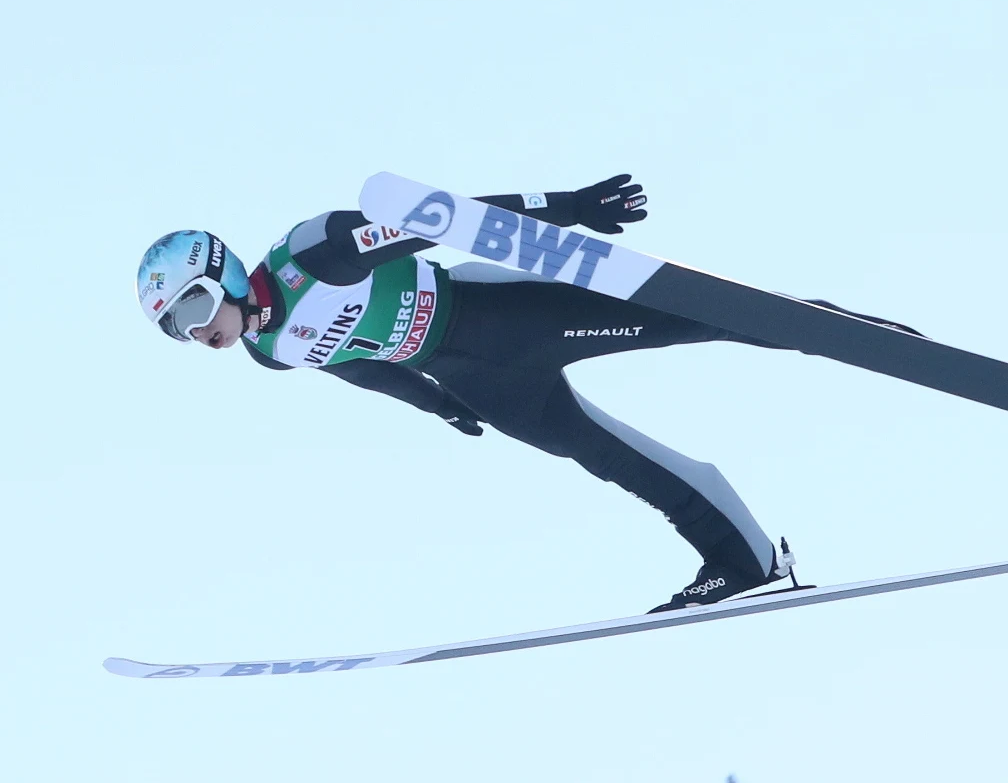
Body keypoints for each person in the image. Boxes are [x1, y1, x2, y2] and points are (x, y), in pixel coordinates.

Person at [135, 174, 922, 612]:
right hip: (477, 380)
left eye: (195, 307)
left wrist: (568, 208)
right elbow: (355, 366)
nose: (198, 333)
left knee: (699, 318)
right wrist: (434, 402)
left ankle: (861, 335)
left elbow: (439, 220)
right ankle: (742, 561)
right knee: (608, 457)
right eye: (178, 329)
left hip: (503, 314)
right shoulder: (271, 352)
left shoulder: (315, 252)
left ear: (224, 272)